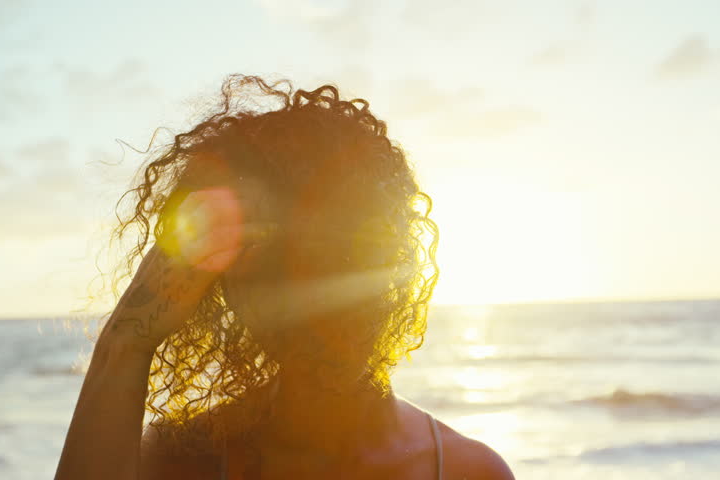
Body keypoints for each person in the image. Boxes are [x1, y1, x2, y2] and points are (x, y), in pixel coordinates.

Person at [54, 74, 514, 480]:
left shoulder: (467, 472)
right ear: (221, 282)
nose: (299, 292)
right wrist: (124, 344)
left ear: (389, 263)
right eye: (258, 253)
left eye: (327, 252)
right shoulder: (179, 459)